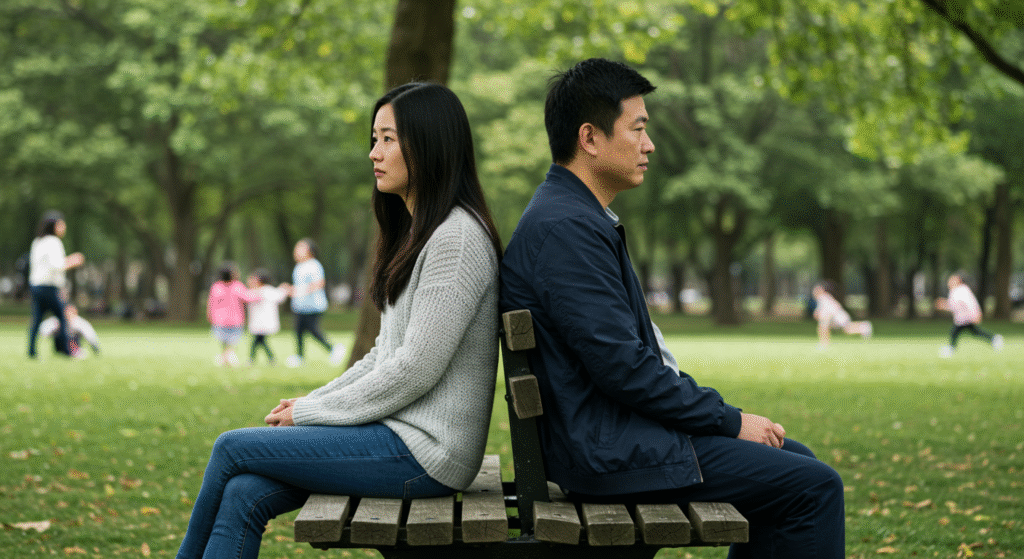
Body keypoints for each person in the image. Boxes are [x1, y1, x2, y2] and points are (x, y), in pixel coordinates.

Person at [499, 58, 845, 558]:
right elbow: (625, 369)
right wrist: (729, 420)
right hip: (610, 454)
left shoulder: (572, 216)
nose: (649, 145)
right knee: (813, 487)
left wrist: (721, 419)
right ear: (590, 138)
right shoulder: (567, 229)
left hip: (608, 439)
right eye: (637, 129)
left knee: (799, 462)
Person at [176, 82, 503, 559]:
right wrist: (315, 400)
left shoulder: (455, 240)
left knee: (231, 448)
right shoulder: (422, 234)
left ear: (430, 145)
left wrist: (310, 414)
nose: (374, 153)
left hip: (427, 453)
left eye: (388, 139)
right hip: (396, 437)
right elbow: (382, 356)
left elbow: (415, 368)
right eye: (375, 139)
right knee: (244, 490)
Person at [27, 210, 84, 359]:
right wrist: (73, 260)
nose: (64, 227)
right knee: (63, 317)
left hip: (36, 286)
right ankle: (67, 350)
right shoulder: (53, 242)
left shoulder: (37, 242)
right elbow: (56, 265)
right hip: (48, 287)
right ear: (54, 226)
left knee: (37, 318)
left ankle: (31, 351)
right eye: (61, 224)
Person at [285, 238, 345, 367]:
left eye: (300, 247)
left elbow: (318, 284)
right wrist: (292, 290)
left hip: (313, 305)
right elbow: (299, 286)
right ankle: (299, 356)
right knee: (299, 331)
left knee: (313, 330)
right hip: (299, 306)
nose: (296, 250)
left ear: (310, 251)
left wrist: (299, 292)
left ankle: (334, 349)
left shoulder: (314, 265)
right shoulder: (299, 266)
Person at [935, 272, 1003, 358]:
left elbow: (968, 304)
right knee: (975, 332)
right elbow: (955, 306)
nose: (949, 282)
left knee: (955, 332)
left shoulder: (960, 290)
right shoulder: (957, 290)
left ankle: (951, 349)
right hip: (962, 318)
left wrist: (975, 314)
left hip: (966, 318)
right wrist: (944, 304)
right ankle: (994, 339)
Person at [207, 262, 259, 367]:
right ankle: (228, 356)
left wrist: (210, 315)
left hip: (219, 320)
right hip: (235, 320)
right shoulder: (237, 286)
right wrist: (260, 292)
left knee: (224, 340)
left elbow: (211, 303)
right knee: (232, 341)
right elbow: (248, 297)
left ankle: (224, 357)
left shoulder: (216, 287)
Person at [812, 279, 872, 350]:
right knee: (847, 330)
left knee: (824, 327)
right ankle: (864, 327)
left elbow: (832, 308)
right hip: (836, 317)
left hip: (838, 317)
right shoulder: (822, 298)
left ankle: (824, 344)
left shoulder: (823, 298)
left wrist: (825, 317)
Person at [246, 269, 288, 365]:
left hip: (263, 322)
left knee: (258, 340)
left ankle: (254, 359)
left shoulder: (265, 291)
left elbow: (280, 296)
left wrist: (284, 289)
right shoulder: (257, 291)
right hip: (259, 322)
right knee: (260, 340)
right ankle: (269, 358)